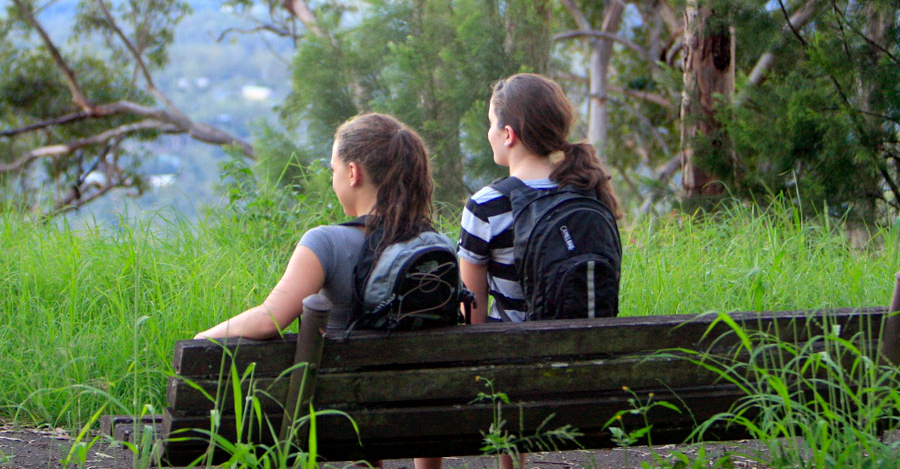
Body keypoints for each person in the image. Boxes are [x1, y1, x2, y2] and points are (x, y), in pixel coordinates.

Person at [196, 111, 442, 469]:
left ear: (353, 173)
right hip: (422, 414)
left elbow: (269, 320)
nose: (334, 178)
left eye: (333, 170)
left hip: (340, 418)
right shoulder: (435, 248)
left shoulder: (325, 243)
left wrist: (203, 338)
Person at [458, 73, 623, 469]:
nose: (489, 133)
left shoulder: (486, 205)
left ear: (509, 134)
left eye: (491, 123)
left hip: (512, 374)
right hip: (586, 366)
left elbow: (472, 316)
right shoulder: (590, 190)